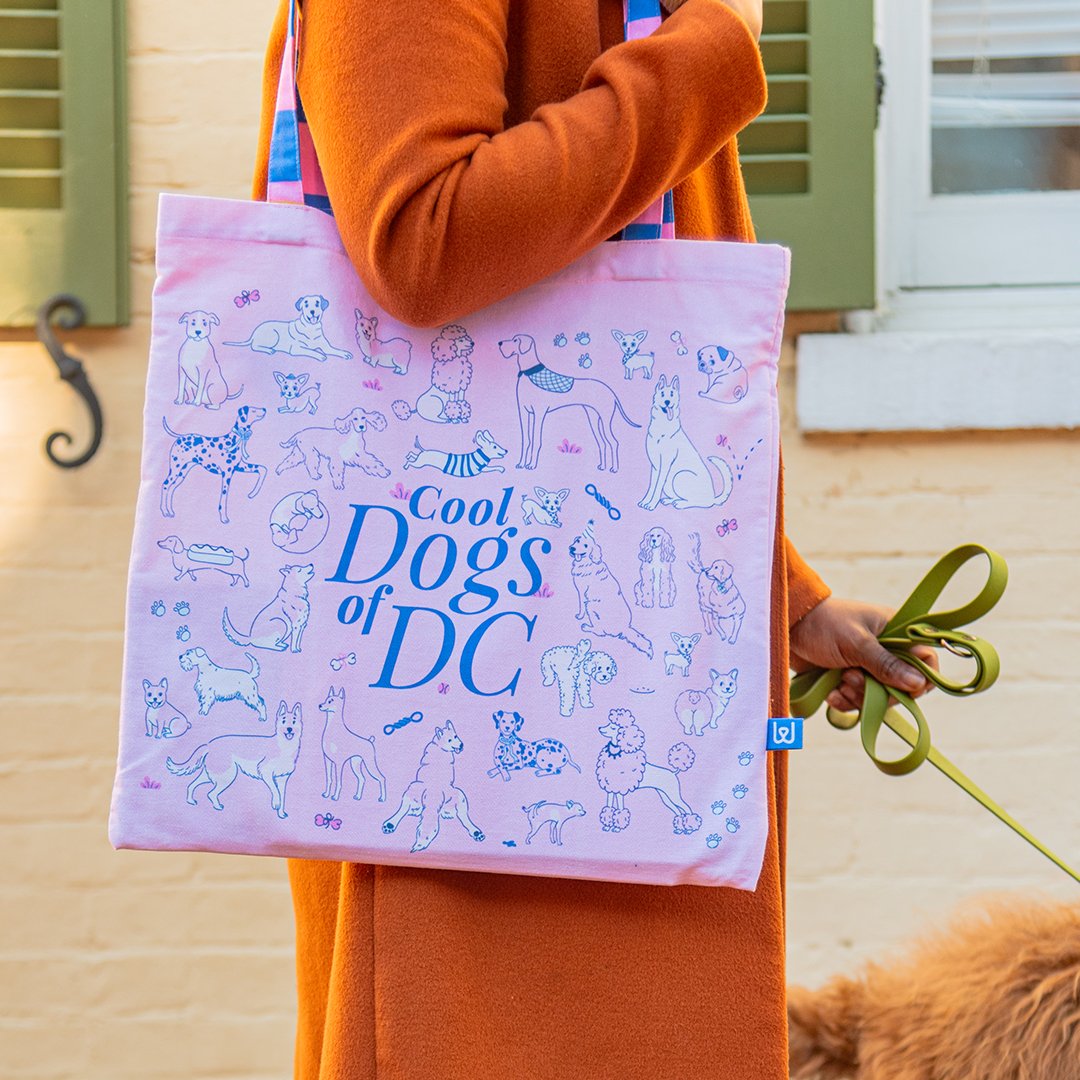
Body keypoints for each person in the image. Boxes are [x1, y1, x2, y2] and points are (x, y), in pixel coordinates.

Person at [253, 2, 934, 1076]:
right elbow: (422, 238)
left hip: (560, 703)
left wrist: (780, 596)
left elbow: (624, 367)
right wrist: (711, 52)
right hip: (472, 749)